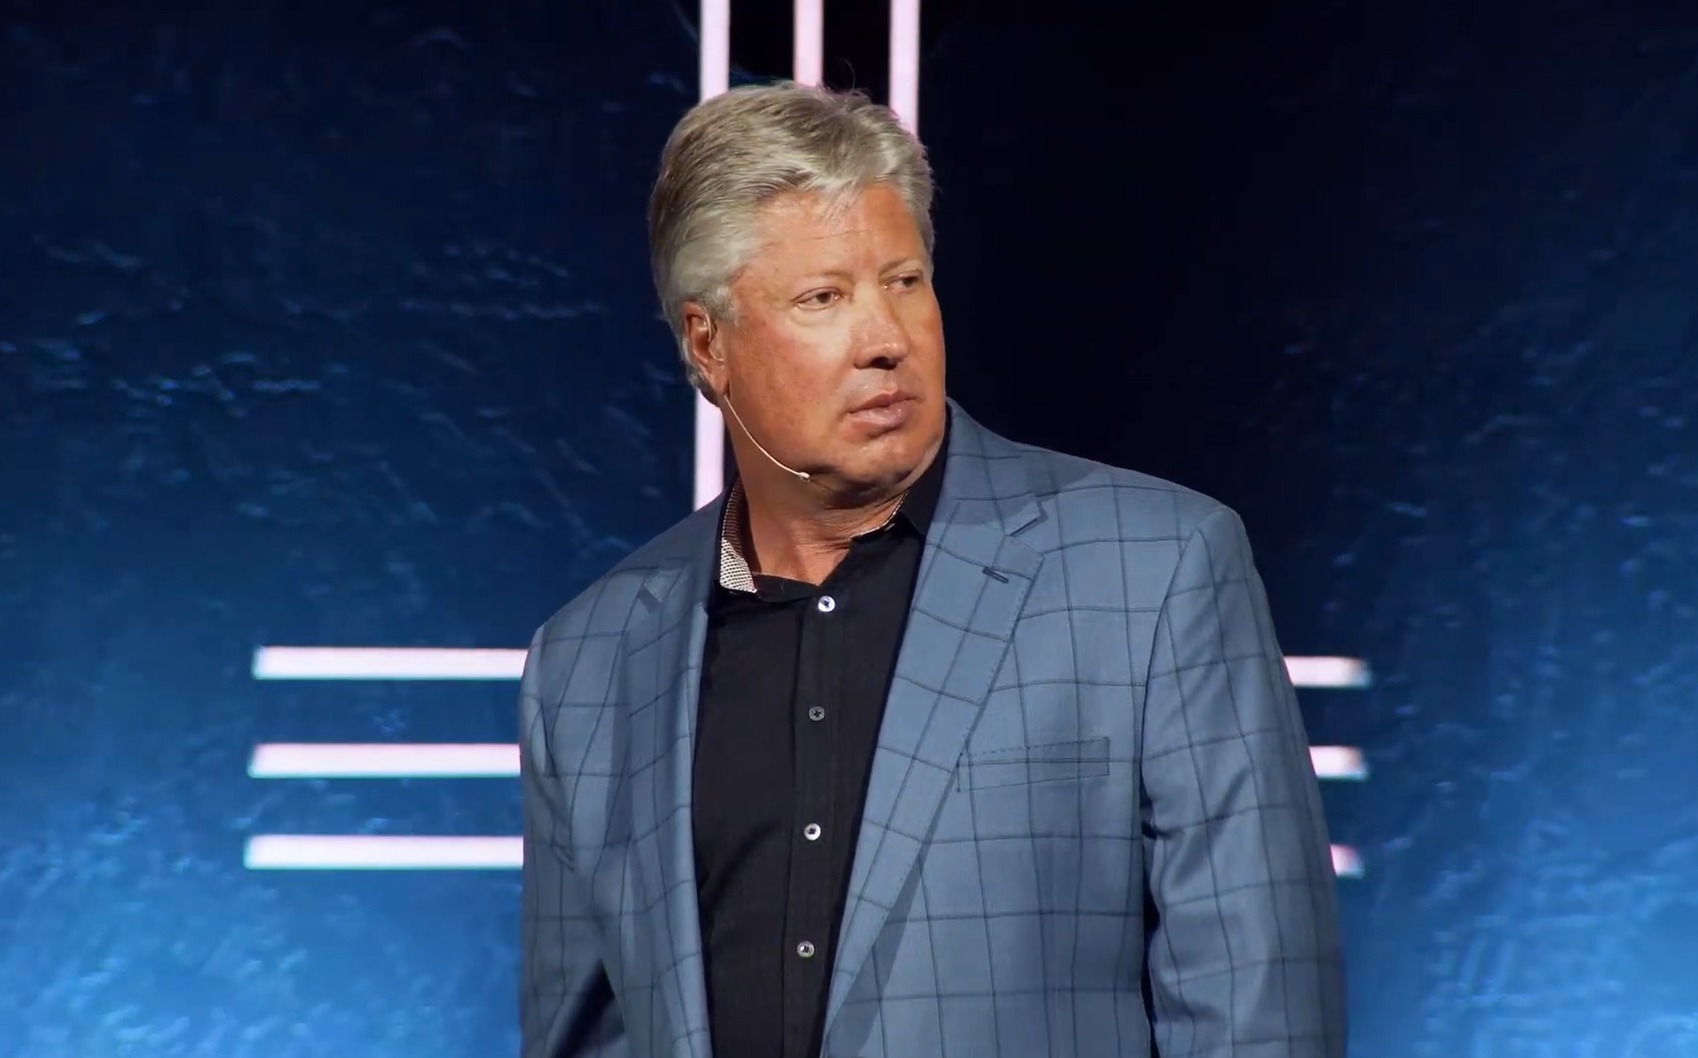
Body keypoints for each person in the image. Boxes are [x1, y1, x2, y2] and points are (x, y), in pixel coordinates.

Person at [518, 80, 1346, 1058]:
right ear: (709, 343)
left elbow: (1259, 1012)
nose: (886, 340)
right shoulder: (591, 662)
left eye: (905, 281)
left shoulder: (1153, 572)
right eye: (824, 298)